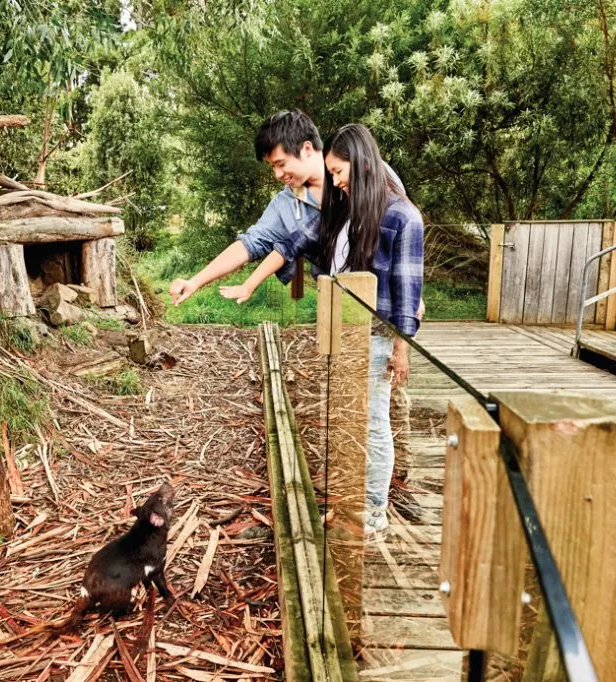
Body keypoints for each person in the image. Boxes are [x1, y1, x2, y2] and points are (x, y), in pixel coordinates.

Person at [218, 123, 424, 536]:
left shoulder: (402, 216)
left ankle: (374, 511)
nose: (334, 180)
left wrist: (402, 350)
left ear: (362, 165)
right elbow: (287, 245)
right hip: (344, 329)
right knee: (348, 422)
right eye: (331, 173)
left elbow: (407, 292)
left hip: (378, 335)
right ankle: (351, 504)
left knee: (374, 422)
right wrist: (248, 284)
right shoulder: (343, 209)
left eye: (339, 172)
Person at [168, 110, 405, 306]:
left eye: (280, 164)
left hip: (385, 299)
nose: (277, 174)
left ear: (307, 149)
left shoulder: (366, 168)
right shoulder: (285, 205)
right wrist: (195, 281)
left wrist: (410, 294)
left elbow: (403, 225)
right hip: (338, 303)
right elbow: (250, 243)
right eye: (272, 166)